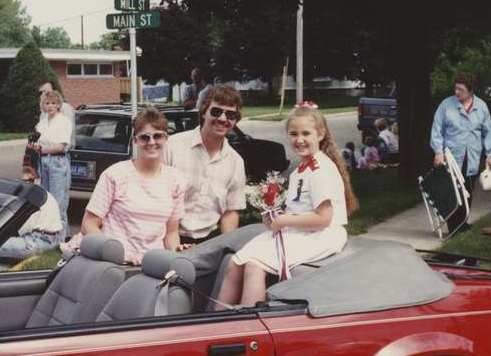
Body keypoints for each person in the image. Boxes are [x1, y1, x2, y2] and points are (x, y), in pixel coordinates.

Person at [216, 104, 358, 306]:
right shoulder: (301, 169)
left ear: (320, 134)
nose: (299, 140)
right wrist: (275, 215)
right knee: (236, 261)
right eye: (293, 134)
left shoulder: (321, 170)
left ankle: (249, 325)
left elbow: (323, 219)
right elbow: (299, 209)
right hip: (300, 231)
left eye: (306, 133)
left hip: (320, 235)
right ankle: (216, 320)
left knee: (254, 265)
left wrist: (283, 221)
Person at [70, 107, 186, 264]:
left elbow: (171, 233)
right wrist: (119, 254)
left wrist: (176, 252)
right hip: (113, 263)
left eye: (158, 136)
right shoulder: (115, 175)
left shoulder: (176, 180)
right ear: (135, 141)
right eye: (145, 137)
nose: (151, 142)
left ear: (166, 138)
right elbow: (88, 224)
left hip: (153, 265)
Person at [165, 85, 247, 245]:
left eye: (230, 114)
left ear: (236, 120)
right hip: (166, 237)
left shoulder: (236, 162)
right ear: (203, 112)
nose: (223, 119)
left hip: (209, 242)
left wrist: (226, 248)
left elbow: (231, 212)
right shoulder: (172, 146)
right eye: (216, 111)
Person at [430, 73, 491, 229]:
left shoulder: (481, 107)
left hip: (472, 156)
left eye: (461, 89)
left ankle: (462, 222)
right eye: (456, 88)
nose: (457, 92)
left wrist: (490, 154)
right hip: (450, 157)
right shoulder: (446, 105)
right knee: (452, 192)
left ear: (471, 90)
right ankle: (454, 225)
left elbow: (488, 132)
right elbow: (436, 129)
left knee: (468, 190)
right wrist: (438, 152)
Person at [0, 166, 63, 259]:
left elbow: (21, 229)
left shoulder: (37, 199)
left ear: (38, 180)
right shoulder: (44, 194)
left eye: (30, 181)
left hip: (38, 241)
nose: (28, 184)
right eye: (24, 182)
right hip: (47, 239)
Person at [30, 90, 73, 240]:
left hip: (58, 163)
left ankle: (60, 240)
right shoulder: (41, 124)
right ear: (43, 105)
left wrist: (41, 149)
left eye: (53, 103)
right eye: (47, 103)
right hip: (43, 162)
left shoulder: (64, 122)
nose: (50, 106)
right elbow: (36, 144)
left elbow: (60, 146)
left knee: (59, 201)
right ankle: (58, 236)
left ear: (59, 105)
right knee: (47, 200)